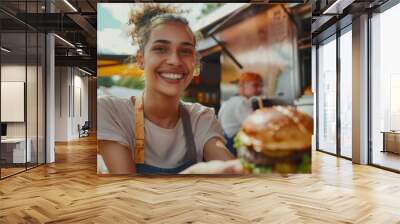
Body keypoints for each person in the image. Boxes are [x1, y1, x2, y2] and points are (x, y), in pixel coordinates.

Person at [97, 4, 242, 175]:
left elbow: (230, 169)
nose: (175, 60)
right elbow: (129, 191)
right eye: (161, 49)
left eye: (186, 51)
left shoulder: (201, 117)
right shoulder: (110, 112)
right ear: (141, 59)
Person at [218, 72, 263, 156]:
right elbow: (255, 126)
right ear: (243, 86)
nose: (259, 89)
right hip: (233, 144)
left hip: (225, 142)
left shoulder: (229, 101)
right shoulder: (242, 102)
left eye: (261, 86)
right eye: (255, 85)